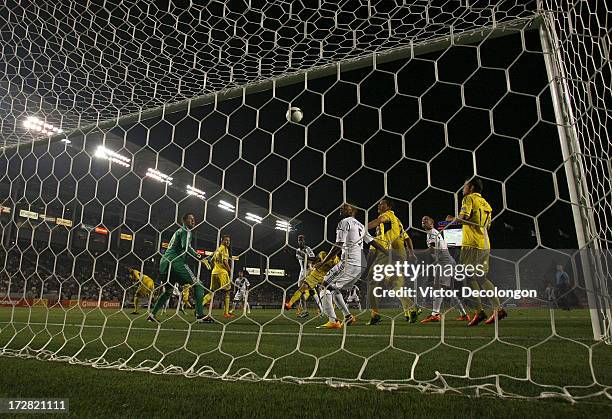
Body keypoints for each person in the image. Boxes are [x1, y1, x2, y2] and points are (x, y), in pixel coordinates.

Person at [315, 203, 387, 329]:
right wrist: (388, 253)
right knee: (334, 289)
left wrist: (323, 262)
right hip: (361, 265)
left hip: (349, 262)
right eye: (341, 207)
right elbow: (373, 242)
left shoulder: (344, 222)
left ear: (353, 210)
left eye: (345, 207)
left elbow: (338, 245)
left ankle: (333, 321)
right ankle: (348, 316)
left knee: (324, 286)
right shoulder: (360, 225)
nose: (341, 208)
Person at [446, 178, 506, 326]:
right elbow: (488, 226)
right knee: (479, 277)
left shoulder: (468, 198)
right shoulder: (486, 203)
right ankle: (486, 311)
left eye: (465, 185)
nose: (463, 188)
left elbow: (463, 217)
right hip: (484, 242)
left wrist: (452, 219)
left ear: (471, 187)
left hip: (471, 244)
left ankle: (488, 310)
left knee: (472, 278)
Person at [366, 197, 420, 325]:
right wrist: (411, 253)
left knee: (372, 280)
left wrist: (362, 228)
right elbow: (407, 238)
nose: (378, 206)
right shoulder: (397, 223)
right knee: (395, 285)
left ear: (389, 207)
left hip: (388, 253)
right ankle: (411, 307)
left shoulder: (387, 216)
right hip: (399, 256)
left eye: (381, 204)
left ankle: (375, 314)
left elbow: (380, 220)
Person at [148, 213, 208, 323]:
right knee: (198, 285)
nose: (194, 221)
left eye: (194, 219)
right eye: (191, 219)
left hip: (164, 263)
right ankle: (200, 315)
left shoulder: (178, 231)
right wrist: (200, 257)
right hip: (175, 262)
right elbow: (186, 247)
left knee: (168, 292)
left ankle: (152, 315)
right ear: (184, 221)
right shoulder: (185, 231)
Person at [419, 216, 470, 323]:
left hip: (445, 261)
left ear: (432, 223)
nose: (423, 221)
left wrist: (415, 253)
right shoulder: (429, 234)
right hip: (442, 262)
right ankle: (464, 314)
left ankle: (435, 314)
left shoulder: (433, 232)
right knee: (447, 290)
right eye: (422, 220)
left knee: (439, 287)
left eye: (426, 219)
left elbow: (432, 249)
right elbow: (433, 252)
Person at [202, 235, 234, 320]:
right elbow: (225, 261)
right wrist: (230, 271)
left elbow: (211, 261)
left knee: (212, 292)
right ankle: (226, 313)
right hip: (222, 273)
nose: (228, 242)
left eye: (229, 241)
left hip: (214, 273)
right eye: (226, 240)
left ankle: (200, 306)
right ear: (222, 241)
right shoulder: (224, 249)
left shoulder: (217, 250)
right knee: (227, 292)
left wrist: (215, 268)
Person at [295, 235, 318, 318]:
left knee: (311, 290)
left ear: (304, 241)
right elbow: (299, 260)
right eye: (299, 240)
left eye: (302, 240)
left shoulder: (307, 249)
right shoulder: (297, 250)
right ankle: (305, 311)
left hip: (308, 270)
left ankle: (321, 309)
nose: (300, 241)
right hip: (302, 272)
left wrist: (304, 255)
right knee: (301, 292)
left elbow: (314, 258)